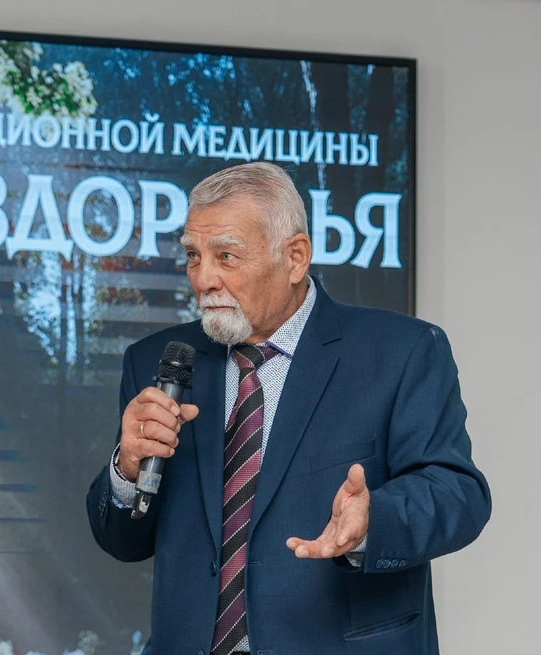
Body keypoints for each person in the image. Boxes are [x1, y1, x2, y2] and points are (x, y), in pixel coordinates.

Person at [86, 162, 491, 655]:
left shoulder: (402, 351)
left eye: (226, 256)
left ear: (295, 257)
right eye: (193, 256)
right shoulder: (157, 361)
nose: (204, 278)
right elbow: (122, 542)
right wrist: (127, 470)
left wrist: (374, 519)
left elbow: (458, 493)